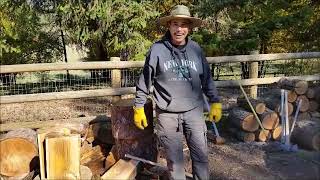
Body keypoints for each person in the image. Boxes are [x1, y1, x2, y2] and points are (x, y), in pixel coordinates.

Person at [133, 5, 222, 180]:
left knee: (201, 158)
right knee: (175, 163)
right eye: (175, 24)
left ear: (189, 28)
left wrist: (215, 101)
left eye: (183, 25)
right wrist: (138, 107)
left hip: (194, 112)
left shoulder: (196, 49)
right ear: (169, 26)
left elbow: (207, 79)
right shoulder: (157, 50)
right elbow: (145, 80)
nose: (179, 29)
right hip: (167, 115)